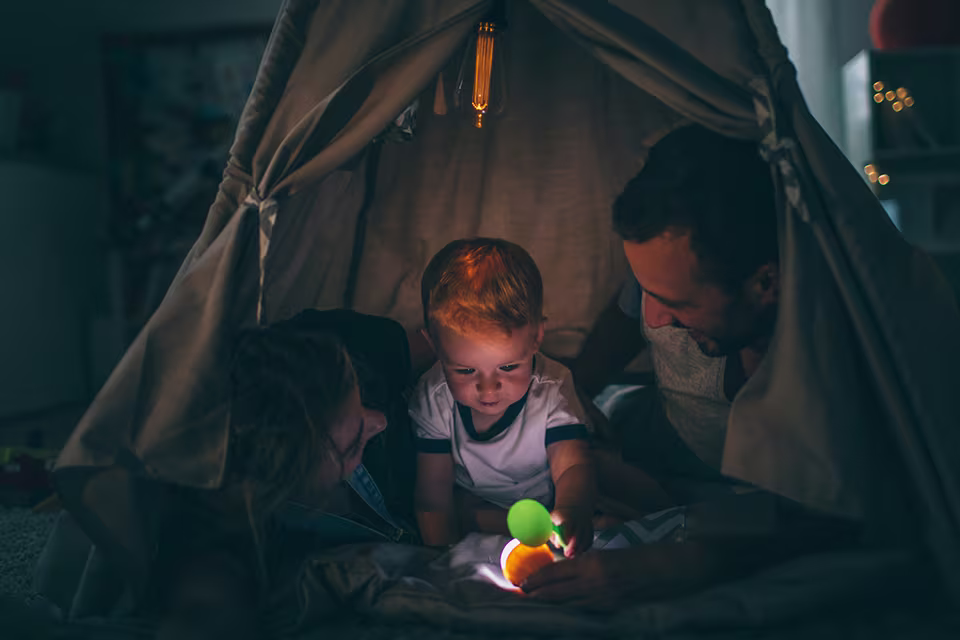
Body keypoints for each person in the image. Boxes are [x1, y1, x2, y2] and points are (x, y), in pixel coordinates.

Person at [521, 125, 861, 608]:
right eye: (647, 294)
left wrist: (688, 562)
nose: (655, 321)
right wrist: (572, 394)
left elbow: (841, 509)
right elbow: (624, 318)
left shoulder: (827, 353)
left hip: (751, 495)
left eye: (676, 303)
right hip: (657, 431)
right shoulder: (665, 272)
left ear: (766, 283)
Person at [150, 309, 414, 639]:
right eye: (350, 447)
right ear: (280, 485)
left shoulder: (359, 347)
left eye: (362, 395)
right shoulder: (227, 553)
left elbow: (454, 349)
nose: (380, 421)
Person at [411, 238, 597, 556]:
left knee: (606, 475)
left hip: (551, 495)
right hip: (480, 502)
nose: (488, 388)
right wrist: (440, 556)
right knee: (459, 512)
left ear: (537, 337)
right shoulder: (433, 397)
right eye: (466, 371)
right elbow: (433, 494)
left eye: (508, 366)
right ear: (435, 347)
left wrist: (571, 507)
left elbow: (571, 463)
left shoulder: (551, 386)